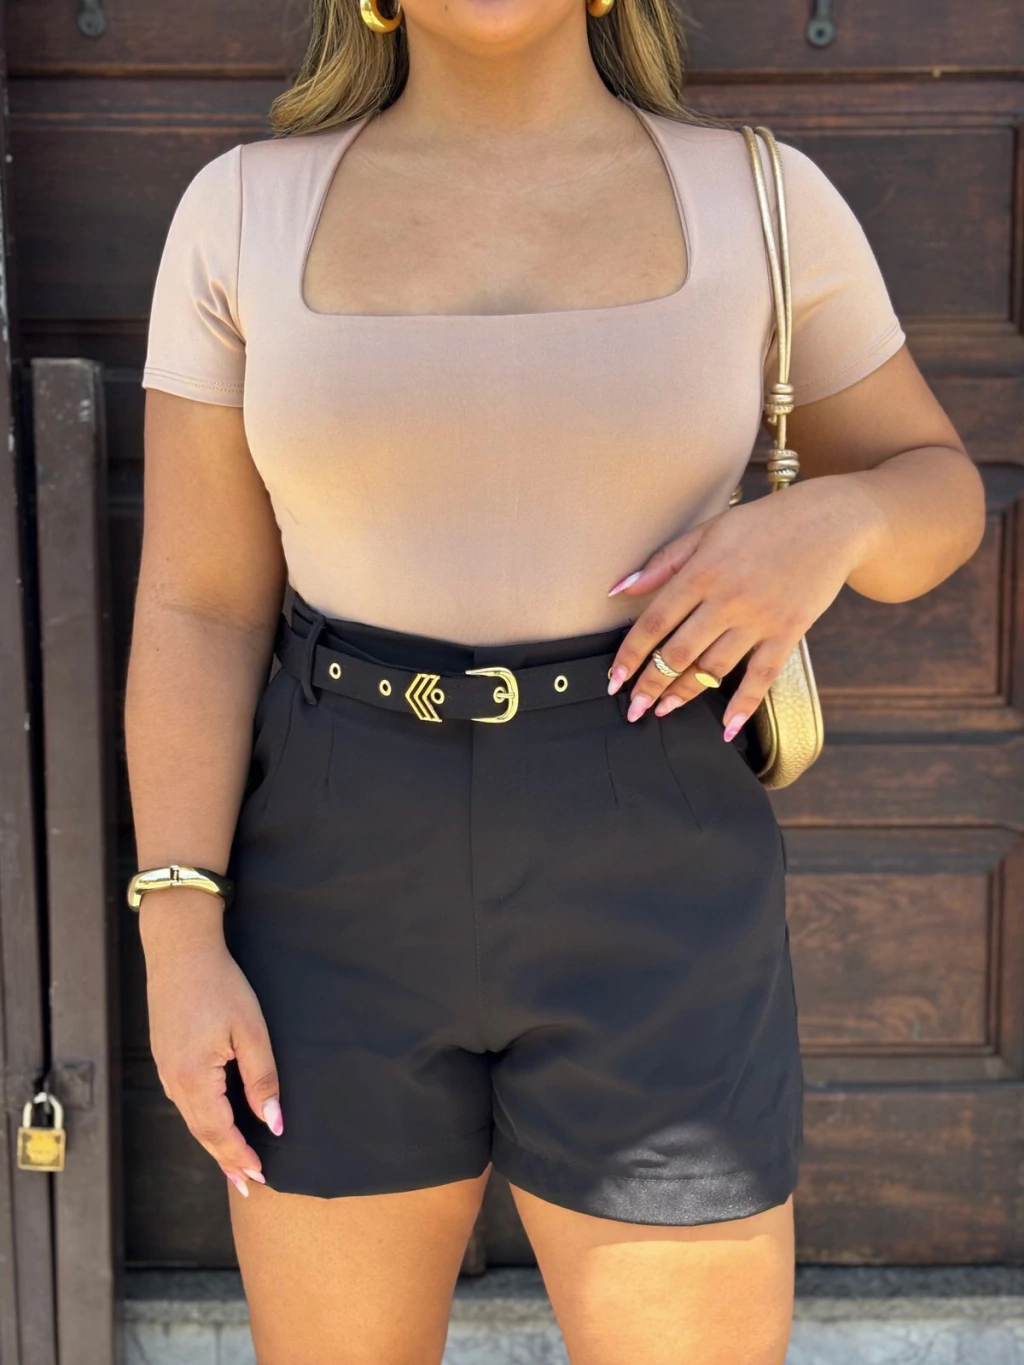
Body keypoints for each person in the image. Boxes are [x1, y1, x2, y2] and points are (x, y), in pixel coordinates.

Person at [123, 0, 985, 1356]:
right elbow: (198, 605)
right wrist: (178, 938)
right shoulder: (242, 214)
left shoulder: (759, 201)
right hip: (332, 874)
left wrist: (836, 521)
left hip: (653, 858)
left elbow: (939, 493)